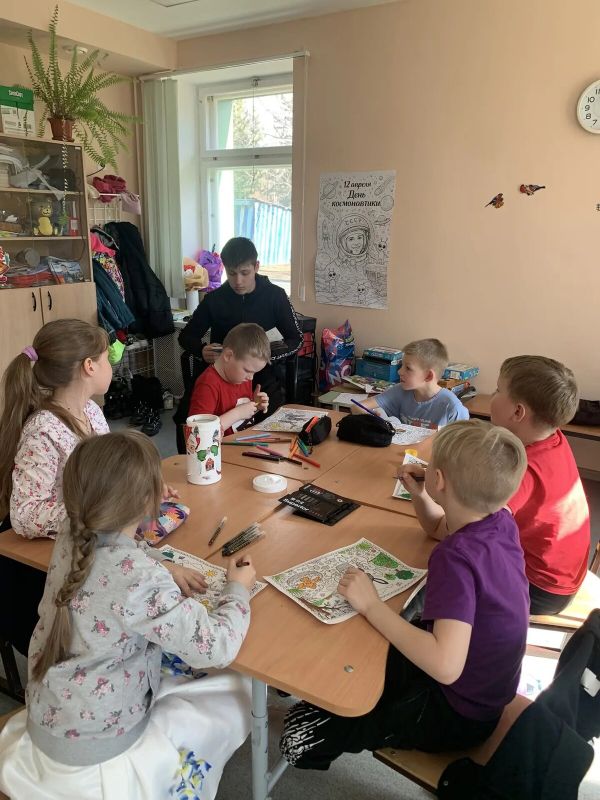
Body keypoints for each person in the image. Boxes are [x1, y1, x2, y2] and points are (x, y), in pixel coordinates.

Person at [0, 430, 256, 800]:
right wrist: (238, 588)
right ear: (149, 502)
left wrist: (162, 564)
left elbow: (116, 561)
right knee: (236, 688)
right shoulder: (140, 579)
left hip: (49, 718)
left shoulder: (71, 533)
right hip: (100, 755)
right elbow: (217, 646)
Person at [280, 420, 529, 770]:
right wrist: (420, 494)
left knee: (297, 737)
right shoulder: (499, 519)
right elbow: (439, 528)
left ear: (439, 479)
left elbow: (444, 666)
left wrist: (371, 605)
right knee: (349, 645)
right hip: (478, 689)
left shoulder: (455, 558)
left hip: (455, 712)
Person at [0, 319, 205, 656]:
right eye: (107, 358)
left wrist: (139, 486)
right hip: (62, 560)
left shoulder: (92, 412)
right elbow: (23, 515)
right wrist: (101, 504)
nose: (112, 365)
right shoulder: (42, 430)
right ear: (89, 366)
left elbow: (110, 473)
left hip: (100, 539)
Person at [175, 237, 302, 452]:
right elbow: (186, 337)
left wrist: (263, 359)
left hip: (261, 374)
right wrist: (201, 350)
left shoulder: (275, 296)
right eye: (232, 273)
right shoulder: (215, 299)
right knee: (189, 418)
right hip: (221, 374)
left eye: (245, 273)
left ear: (256, 267)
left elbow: (296, 339)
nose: (238, 281)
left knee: (272, 428)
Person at [490, 355, 590, 615]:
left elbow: (479, 528)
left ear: (518, 412)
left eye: (498, 390)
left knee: (444, 559)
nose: (492, 395)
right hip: (563, 576)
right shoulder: (551, 437)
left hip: (540, 588)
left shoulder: (523, 470)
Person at [352, 338, 469, 429]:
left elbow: (462, 446)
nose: (399, 371)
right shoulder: (400, 390)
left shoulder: (452, 407)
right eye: (401, 366)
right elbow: (356, 407)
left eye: (408, 368)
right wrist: (370, 418)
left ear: (428, 376)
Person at [188, 323, 270, 436]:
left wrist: (256, 406)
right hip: (220, 446)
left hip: (243, 441)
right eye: (247, 370)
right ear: (228, 356)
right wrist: (237, 414)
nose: (251, 377)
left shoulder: (241, 377)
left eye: (254, 373)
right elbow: (198, 432)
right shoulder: (208, 384)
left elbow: (240, 421)